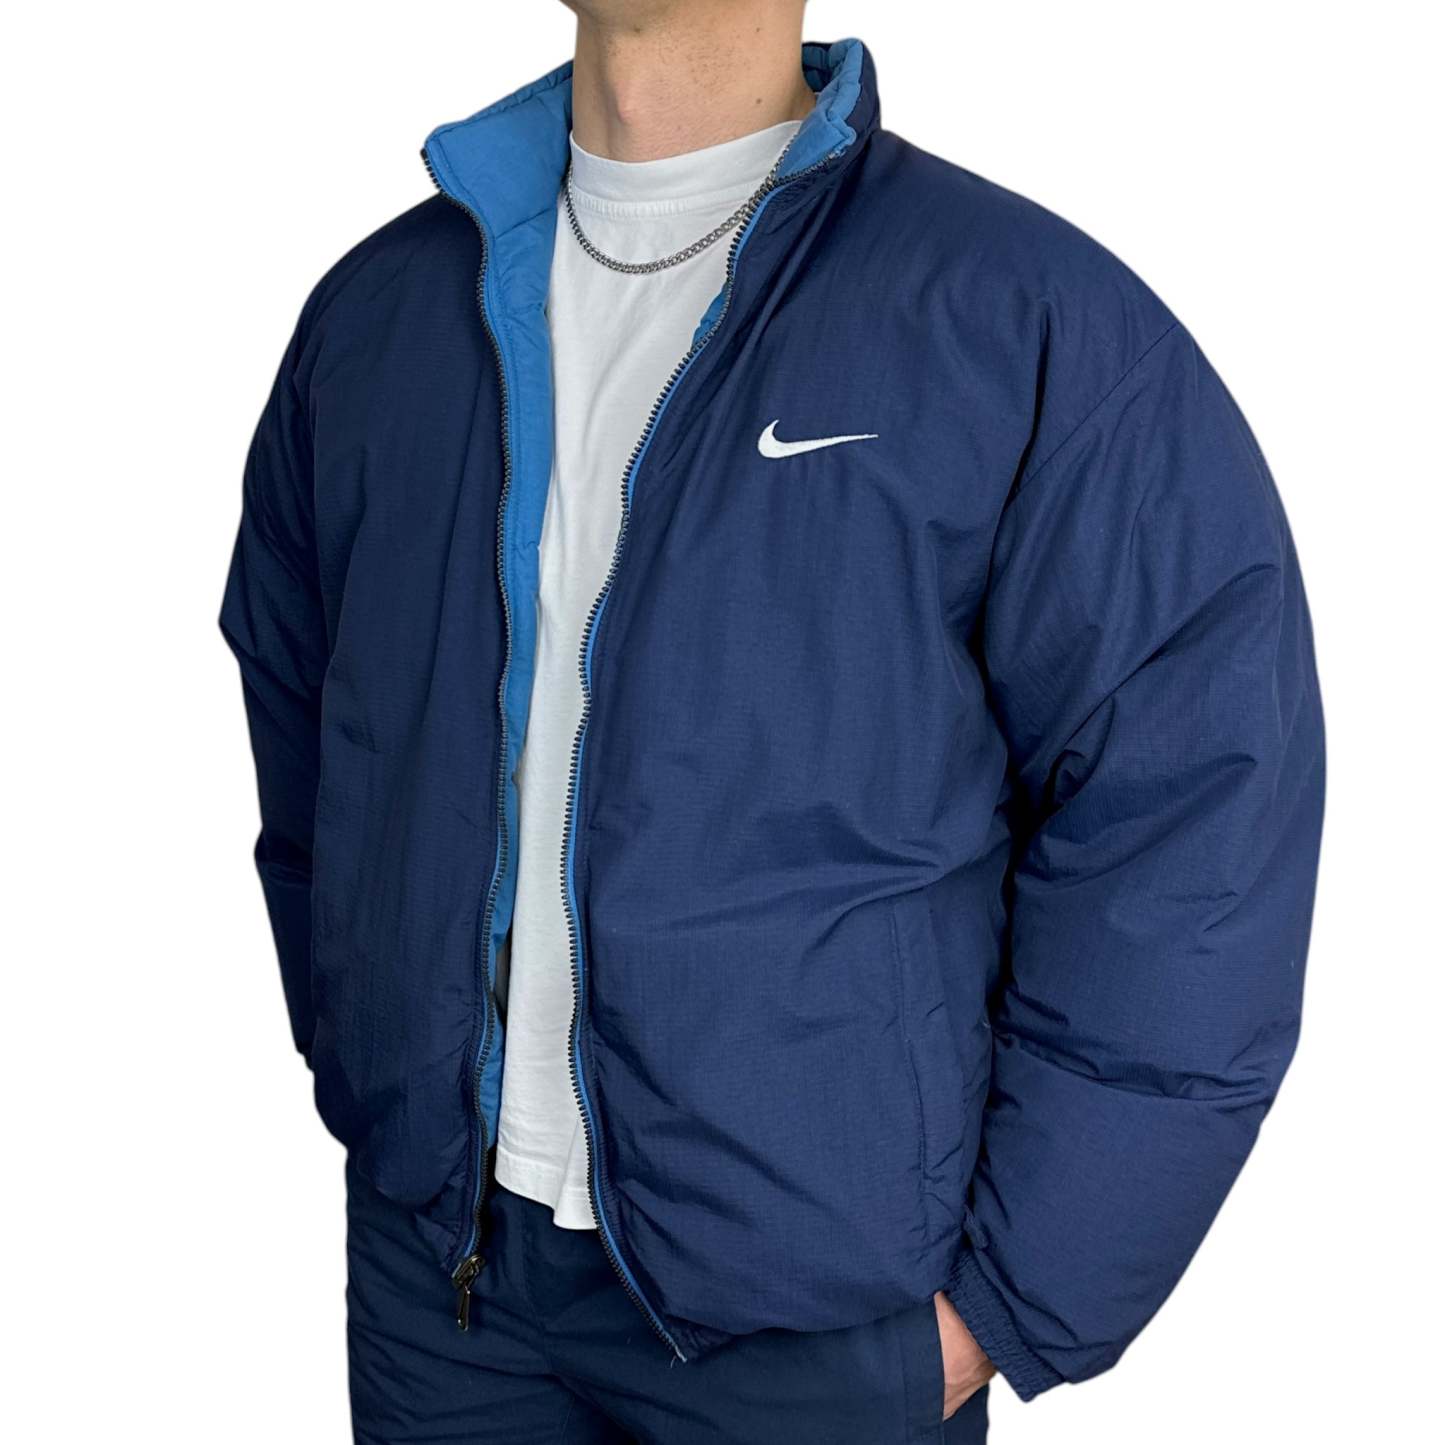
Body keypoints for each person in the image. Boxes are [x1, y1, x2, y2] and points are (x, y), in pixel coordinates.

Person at [221, 3, 1325, 1440]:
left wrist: (1006, 1306)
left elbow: (1191, 826)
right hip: (446, 1288)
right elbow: (314, 748)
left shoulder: (1020, 320)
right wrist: (381, 1083)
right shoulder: (381, 318)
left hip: (814, 1325)